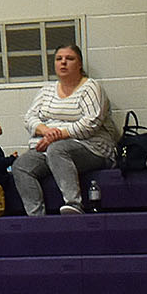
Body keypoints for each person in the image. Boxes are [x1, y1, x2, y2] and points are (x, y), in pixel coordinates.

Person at [12, 44, 119, 215]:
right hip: (48, 146)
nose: (63, 63)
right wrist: (47, 131)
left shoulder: (91, 88)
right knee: (21, 165)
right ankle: (36, 217)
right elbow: (29, 118)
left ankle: (74, 204)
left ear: (79, 65)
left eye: (69, 59)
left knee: (58, 149)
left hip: (91, 148)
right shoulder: (46, 90)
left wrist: (57, 135)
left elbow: (91, 123)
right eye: (59, 59)